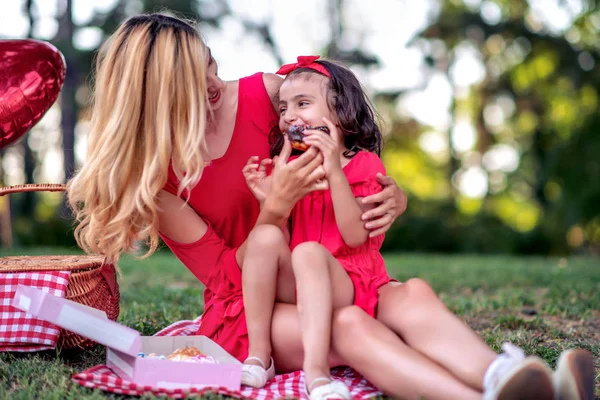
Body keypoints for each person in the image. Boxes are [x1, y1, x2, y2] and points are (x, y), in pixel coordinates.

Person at [66, 13, 593, 400]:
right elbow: (227, 277)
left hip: (330, 268)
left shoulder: (269, 98)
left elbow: (348, 148)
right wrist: (274, 210)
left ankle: (515, 380)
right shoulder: (158, 183)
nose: (214, 86)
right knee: (348, 326)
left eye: (213, 67)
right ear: (157, 95)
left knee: (411, 295)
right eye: (193, 82)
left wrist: (391, 194)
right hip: (253, 311)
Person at [239, 57, 393, 399]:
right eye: (284, 108)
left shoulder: (365, 164)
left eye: (303, 104)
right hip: (303, 278)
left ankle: (316, 371)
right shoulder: (292, 166)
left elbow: (355, 237)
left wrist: (334, 171)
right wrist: (272, 197)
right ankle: (259, 355)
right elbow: (282, 243)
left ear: (339, 112)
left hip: (348, 281)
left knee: (309, 254)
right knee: (265, 235)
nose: (289, 116)